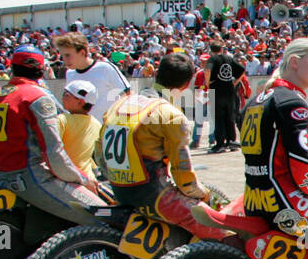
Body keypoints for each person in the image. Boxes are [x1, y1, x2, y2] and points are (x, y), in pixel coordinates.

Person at [99, 53, 234, 242]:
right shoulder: (169, 114)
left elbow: (99, 155)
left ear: (156, 74)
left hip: (118, 191)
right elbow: (185, 179)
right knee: (225, 233)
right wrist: (205, 195)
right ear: (187, 84)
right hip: (154, 196)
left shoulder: (118, 104)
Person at [240, 38, 308, 258]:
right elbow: (301, 170)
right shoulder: (292, 101)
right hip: (283, 204)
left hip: (253, 200)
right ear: (294, 62)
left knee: (306, 258)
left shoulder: (257, 99)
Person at [0, 45, 106, 225]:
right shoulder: (36, 97)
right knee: (104, 217)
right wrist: (83, 179)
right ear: (41, 69)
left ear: (12, 68)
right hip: (32, 177)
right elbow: (54, 153)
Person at [53, 31, 131, 122]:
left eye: (67, 55)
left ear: (82, 52)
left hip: (107, 129)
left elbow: (127, 94)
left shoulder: (105, 68)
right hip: (83, 130)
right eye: (62, 56)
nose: (64, 60)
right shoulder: (70, 73)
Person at [206, 40, 246, 152]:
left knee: (219, 117)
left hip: (217, 90)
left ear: (211, 51)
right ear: (221, 49)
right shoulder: (229, 58)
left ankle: (220, 144)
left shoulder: (212, 59)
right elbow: (242, 69)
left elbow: (208, 70)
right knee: (230, 117)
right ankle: (232, 141)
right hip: (229, 91)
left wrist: (207, 83)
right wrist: (235, 82)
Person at [58, 80, 102, 179]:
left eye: (66, 95)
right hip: (88, 177)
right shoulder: (96, 123)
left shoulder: (62, 120)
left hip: (67, 176)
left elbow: (54, 151)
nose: (63, 97)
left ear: (80, 101)